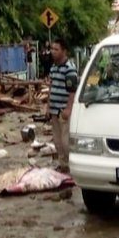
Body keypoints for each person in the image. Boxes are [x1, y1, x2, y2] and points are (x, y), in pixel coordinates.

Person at [47, 39, 78, 174]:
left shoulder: (69, 68)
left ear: (64, 51)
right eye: (52, 49)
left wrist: (68, 109)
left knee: (66, 142)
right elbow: (51, 87)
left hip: (63, 110)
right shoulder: (53, 67)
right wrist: (47, 107)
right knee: (57, 141)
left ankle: (73, 166)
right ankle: (63, 165)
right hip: (54, 109)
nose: (53, 52)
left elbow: (72, 91)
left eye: (56, 49)